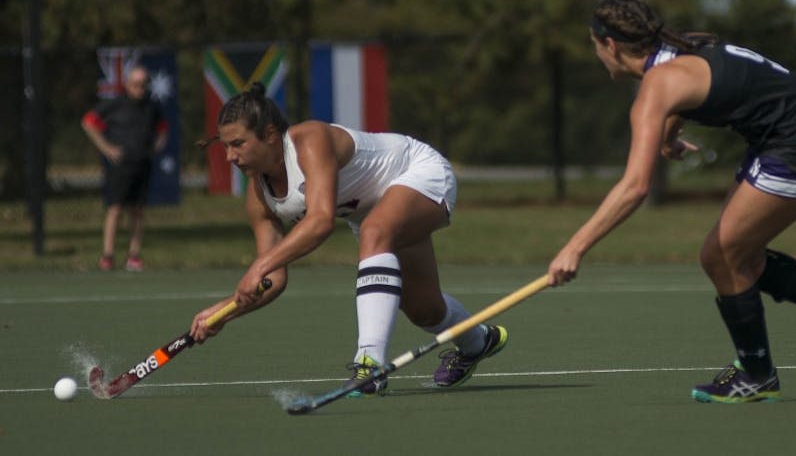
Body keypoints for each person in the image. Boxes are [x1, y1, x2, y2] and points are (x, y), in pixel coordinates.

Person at [546, 0, 796, 403]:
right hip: (789, 136)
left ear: (611, 45)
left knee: (722, 255)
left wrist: (575, 247)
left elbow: (634, 186)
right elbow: (688, 93)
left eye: (593, 45)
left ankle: (759, 375)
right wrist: (670, 137)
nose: (596, 54)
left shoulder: (657, 85)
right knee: (739, 255)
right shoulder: (677, 49)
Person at [189, 83, 507, 395]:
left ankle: (369, 364)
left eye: (238, 144)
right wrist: (226, 311)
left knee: (374, 231)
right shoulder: (259, 198)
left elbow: (320, 221)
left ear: (270, 134)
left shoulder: (309, 141)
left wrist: (258, 267)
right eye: (225, 146)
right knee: (425, 310)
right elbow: (272, 277)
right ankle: (478, 341)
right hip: (376, 212)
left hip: (418, 172)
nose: (229, 156)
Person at [81, 65, 168, 272]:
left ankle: (134, 255)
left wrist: (158, 145)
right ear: (128, 84)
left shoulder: (151, 106)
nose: (140, 88)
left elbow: (163, 127)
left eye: (144, 84)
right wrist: (106, 148)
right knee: (115, 208)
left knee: (137, 210)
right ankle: (108, 255)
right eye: (136, 84)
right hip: (120, 166)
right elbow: (88, 122)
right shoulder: (115, 104)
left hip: (142, 163)